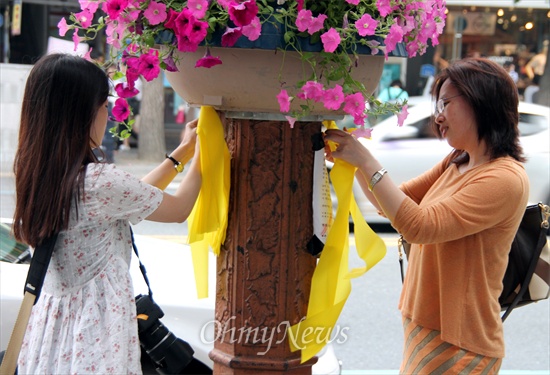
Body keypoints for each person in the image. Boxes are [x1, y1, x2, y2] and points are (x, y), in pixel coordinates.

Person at [325, 58, 529, 373]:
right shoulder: (458, 160)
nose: (439, 115)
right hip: (424, 324)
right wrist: (352, 157)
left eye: (446, 103)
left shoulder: (504, 179)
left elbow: (420, 226)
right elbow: (391, 204)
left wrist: (366, 162)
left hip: (461, 342)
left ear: (480, 101)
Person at [12, 53, 202, 373]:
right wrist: (207, 151)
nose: (108, 115)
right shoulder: (98, 182)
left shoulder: (37, 173)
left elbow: (129, 196)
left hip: (50, 337)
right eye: (104, 106)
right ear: (81, 112)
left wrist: (180, 155)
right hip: (95, 338)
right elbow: (179, 209)